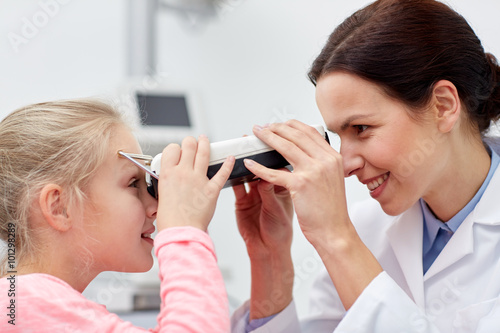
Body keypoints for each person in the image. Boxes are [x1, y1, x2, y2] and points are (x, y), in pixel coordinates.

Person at [230, 0, 500, 332]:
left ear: (443, 106)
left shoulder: (347, 236)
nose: (344, 165)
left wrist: (336, 239)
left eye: (361, 129)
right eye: (338, 135)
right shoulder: (366, 228)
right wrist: (270, 260)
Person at [0, 99, 235, 332]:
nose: (156, 206)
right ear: (59, 207)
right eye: (133, 183)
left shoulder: (24, 306)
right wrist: (185, 230)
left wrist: (267, 264)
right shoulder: (24, 303)